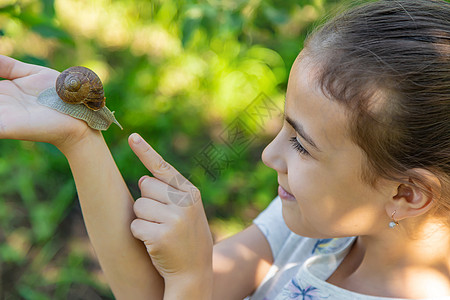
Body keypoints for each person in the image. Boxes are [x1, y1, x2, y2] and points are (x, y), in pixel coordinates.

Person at [0, 0, 449, 298]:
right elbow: (150, 293)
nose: (268, 156)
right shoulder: (316, 226)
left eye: (301, 145)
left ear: (406, 194)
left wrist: (192, 279)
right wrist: (80, 137)